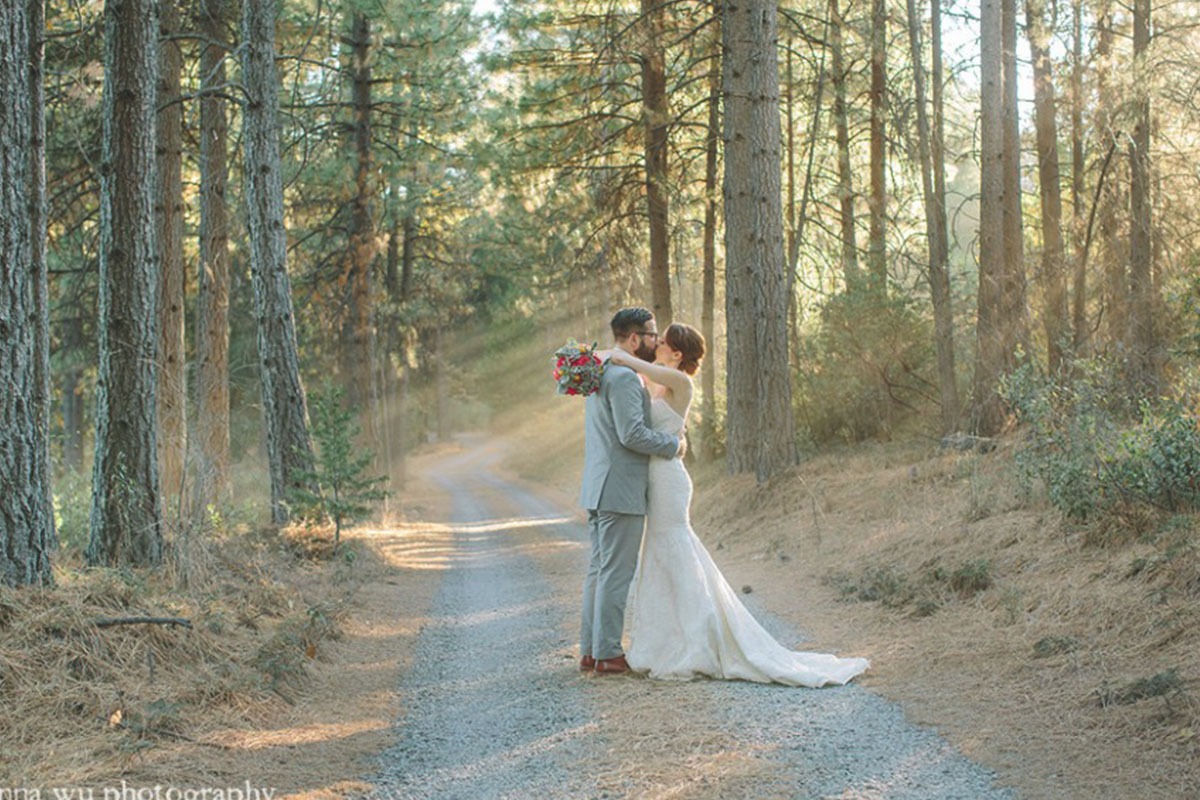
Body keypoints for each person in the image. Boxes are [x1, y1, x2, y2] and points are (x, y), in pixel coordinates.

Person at [607, 322, 870, 687]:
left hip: (669, 479)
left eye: (663, 342)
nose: (657, 346)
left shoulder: (680, 382)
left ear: (677, 353)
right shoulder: (659, 382)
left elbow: (634, 365)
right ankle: (667, 641)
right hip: (654, 477)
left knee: (674, 549)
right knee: (659, 554)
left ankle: (698, 641)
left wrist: (612, 354)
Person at [579, 308, 685, 676]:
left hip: (599, 485)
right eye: (652, 334)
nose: (657, 341)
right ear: (635, 338)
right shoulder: (625, 378)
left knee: (599, 571)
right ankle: (608, 653)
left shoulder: (602, 372)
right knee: (615, 573)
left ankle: (591, 651)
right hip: (619, 487)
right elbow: (631, 435)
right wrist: (673, 445)